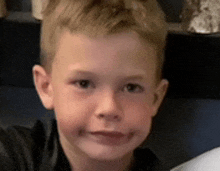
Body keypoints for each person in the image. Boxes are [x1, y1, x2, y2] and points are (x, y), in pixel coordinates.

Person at [0, 0, 169, 170]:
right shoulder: (14, 155)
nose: (109, 108)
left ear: (155, 98)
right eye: (84, 83)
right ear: (46, 87)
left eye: (131, 87)